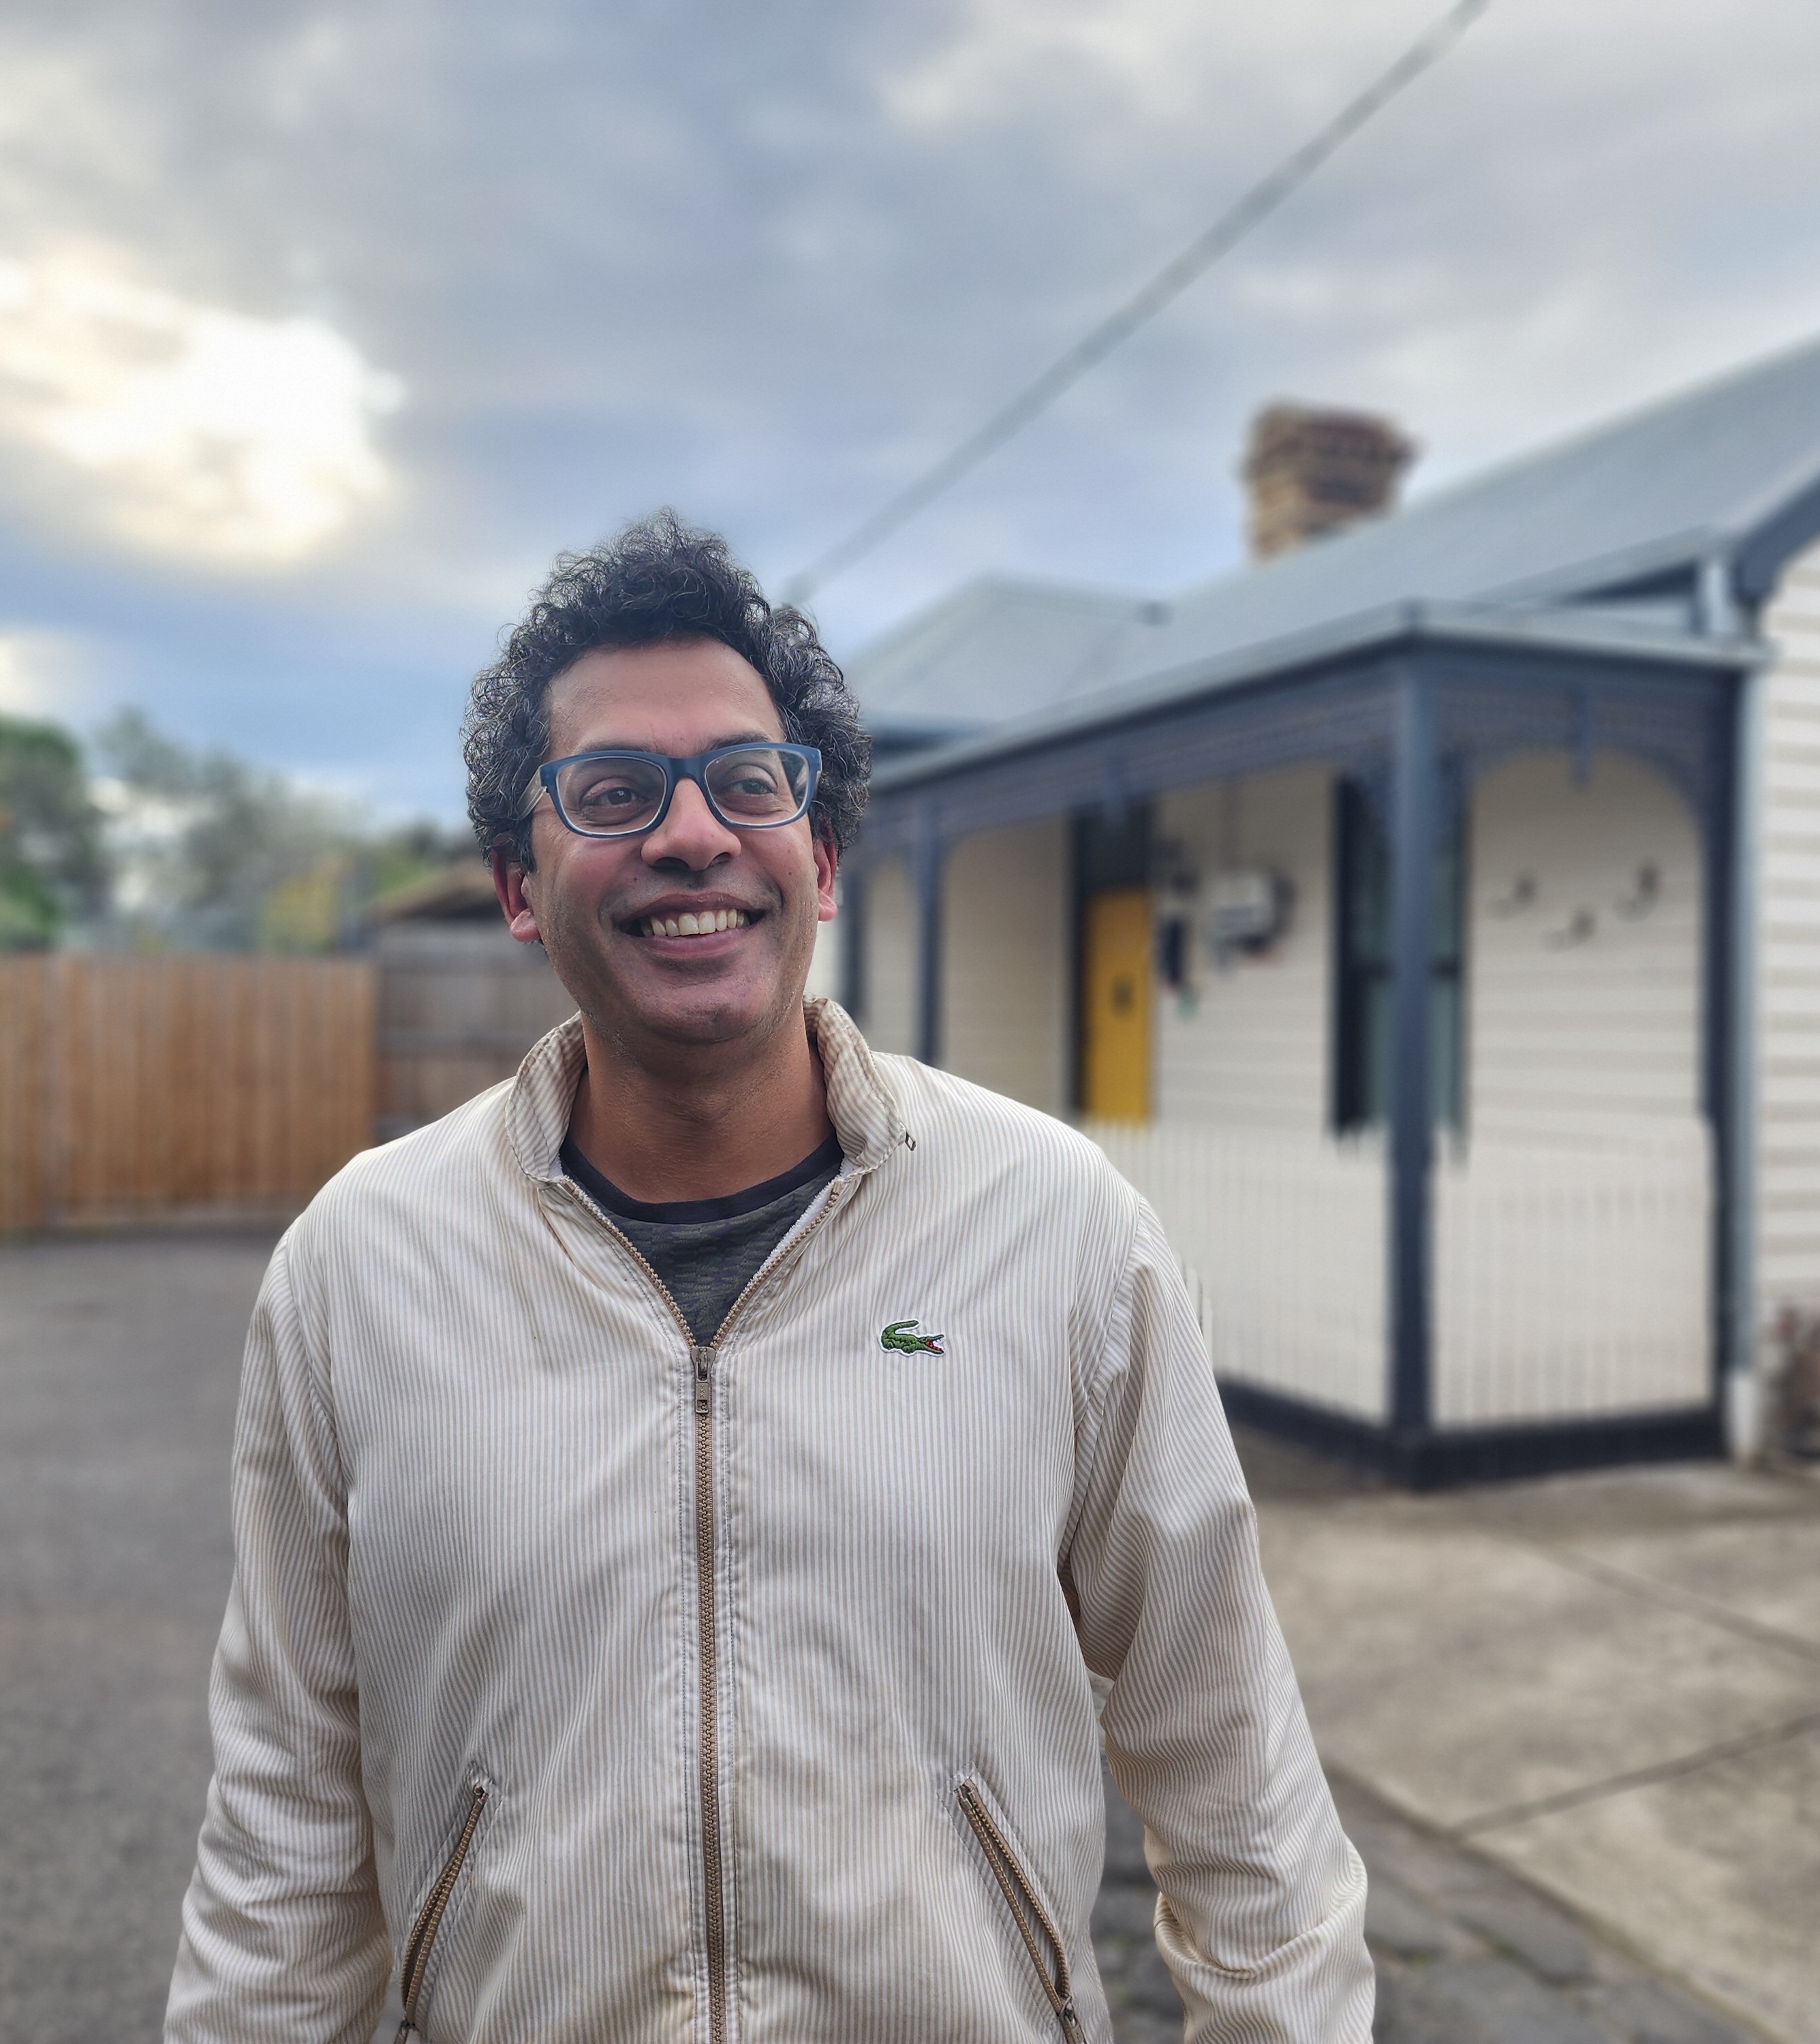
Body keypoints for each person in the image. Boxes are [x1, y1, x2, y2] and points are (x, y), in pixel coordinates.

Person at [166, 513, 1372, 2042]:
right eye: (610, 791)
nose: (689, 835)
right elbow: (284, 1803)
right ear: (518, 885)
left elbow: (1231, 1759)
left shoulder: (1055, 1227)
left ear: (820, 851)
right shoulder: (357, 1266)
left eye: (748, 782)